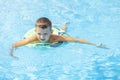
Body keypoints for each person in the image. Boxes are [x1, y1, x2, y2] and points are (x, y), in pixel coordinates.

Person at [10, 17, 109, 58]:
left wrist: (95, 44)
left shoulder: (55, 38)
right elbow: (15, 44)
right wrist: (12, 54)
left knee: (63, 31)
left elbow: (76, 40)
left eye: (45, 34)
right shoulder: (33, 38)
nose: (42, 36)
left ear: (51, 31)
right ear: (36, 31)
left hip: (59, 33)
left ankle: (65, 24)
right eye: (39, 33)